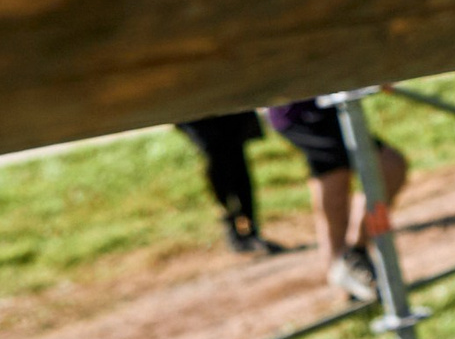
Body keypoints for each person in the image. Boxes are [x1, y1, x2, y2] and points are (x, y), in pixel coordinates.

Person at [265, 98, 410, 303]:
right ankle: (349, 263)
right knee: (384, 167)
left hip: (327, 105)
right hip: (300, 109)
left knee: (338, 178)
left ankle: (346, 271)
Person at [174, 110, 278, 255]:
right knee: (216, 157)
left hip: (227, 115)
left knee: (236, 158)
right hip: (196, 116)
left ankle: (249, 228)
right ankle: (233, 227)